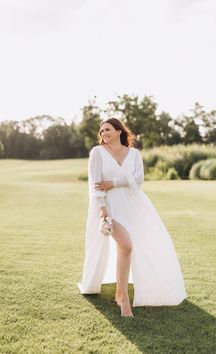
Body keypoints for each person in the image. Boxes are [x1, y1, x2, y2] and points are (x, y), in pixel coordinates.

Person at [78, 117, 186, 317]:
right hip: (109, 206)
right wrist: (102, 208)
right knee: (126, 245)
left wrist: (114, 182)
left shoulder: (134, 153)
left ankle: (120, 290)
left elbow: (139, 179)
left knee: (129, 247)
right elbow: (95, 183)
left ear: (119, 131)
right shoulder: (97, 153)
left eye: (108, 129)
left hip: (133, 205)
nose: (103, 134)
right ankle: (124, 298)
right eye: (101, 131)